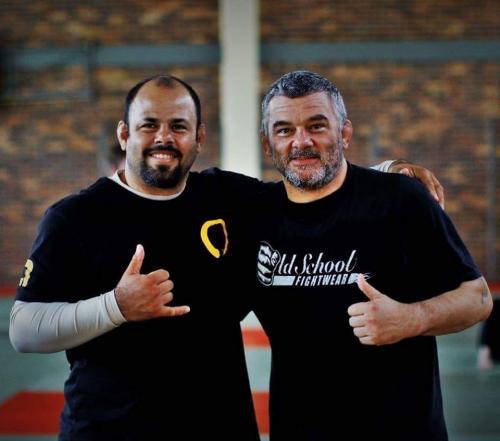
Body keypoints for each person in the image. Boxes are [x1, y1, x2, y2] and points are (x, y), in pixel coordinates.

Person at [10, 73, 445, 440]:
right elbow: (24, 330)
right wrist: (115, 307)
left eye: (179, 126)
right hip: (110, 430)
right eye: (149, 125)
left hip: (220, 428)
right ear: (124, 133)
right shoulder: (74, 217)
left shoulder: (227, 196)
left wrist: (390, 173)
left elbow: (309, 183)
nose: (164, 137)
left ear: (199, 138)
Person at [243, 70, 492, 441]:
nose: (301, 141)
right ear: (268, 143)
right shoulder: (253, 215)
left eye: (316, 126)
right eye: (284, 130)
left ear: (344, 133)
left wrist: (411, 318)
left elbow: (477, 298)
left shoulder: (401, 199)